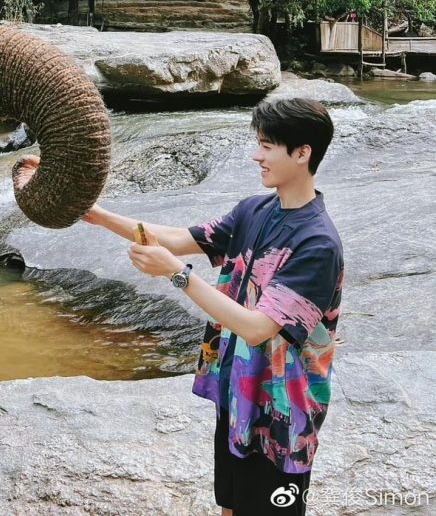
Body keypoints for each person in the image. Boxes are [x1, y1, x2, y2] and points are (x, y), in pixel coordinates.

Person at [19, 97, 344, 516]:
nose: (256, 155)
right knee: (230, 504)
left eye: (267, 146)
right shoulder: (255, 210)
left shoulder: (317, 244)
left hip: (283, 410)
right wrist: (98, 215)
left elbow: (259, 328)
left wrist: (178, 275)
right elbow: (178, 238)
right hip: (240, 390)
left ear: (303, 154)